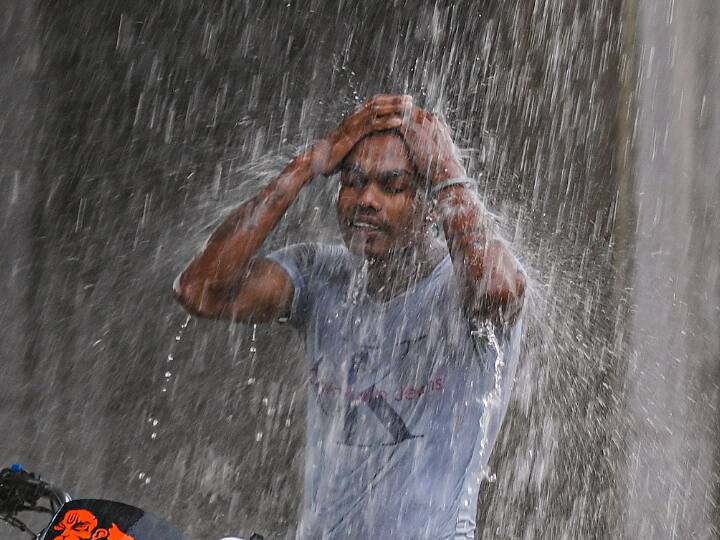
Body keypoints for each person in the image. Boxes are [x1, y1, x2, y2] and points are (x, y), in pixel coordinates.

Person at [174, 94, 526, 539]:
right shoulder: (319, 274)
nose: (366, 200)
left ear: (430, 203)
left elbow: (497, 291)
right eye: (353, 182)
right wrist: (308, 164)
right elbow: (199, 289)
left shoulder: (466, 285)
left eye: (392, 186)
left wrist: (444, 167)